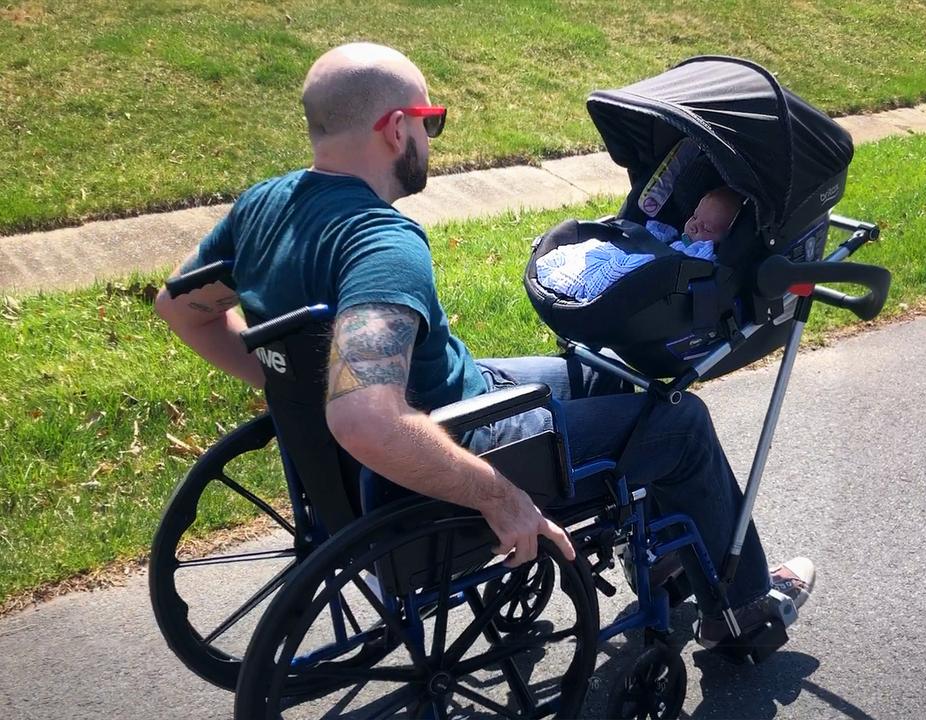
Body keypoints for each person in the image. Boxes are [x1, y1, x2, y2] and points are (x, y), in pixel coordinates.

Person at [153, 42, 813, 647]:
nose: (431, 138)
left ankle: (672, 556)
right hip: (473, 440)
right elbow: (363, 419)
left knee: (613, 377)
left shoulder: (264, 206)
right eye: (431, 122)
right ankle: (744, 610)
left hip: (440, 407)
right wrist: (500, 498)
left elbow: (180, 310)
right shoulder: (379, 245)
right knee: (681, 422)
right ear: (396, 128)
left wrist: (294, 380)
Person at [535, 186, 740, 301]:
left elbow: (697, 268)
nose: (694, 226)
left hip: (660, 274)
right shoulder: (673, 236)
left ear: (725, 238)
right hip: (642, 250)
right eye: (694, 217)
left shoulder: (704, 255)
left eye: (707, 228)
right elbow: (653, 235)